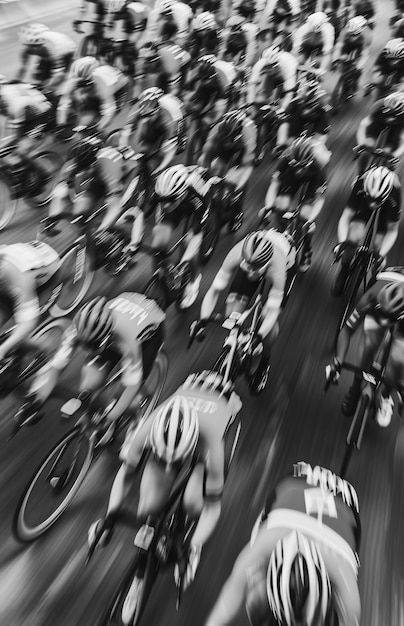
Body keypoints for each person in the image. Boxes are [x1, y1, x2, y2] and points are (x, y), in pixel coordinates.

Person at [88, 371, 243, 625]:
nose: (172, 469)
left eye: (176, 463)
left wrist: (194, 546)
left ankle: (184, 536)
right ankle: (140, 576)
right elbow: (125, 475)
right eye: (163, 460)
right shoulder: (148, 427)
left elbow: (213, 509)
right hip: (182, 422)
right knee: (146, 510)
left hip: (212, 423)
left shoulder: (212, 444)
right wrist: (111, 513)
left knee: (194, 503)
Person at [205, 460, 361, 626]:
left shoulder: (347, 591)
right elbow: (229, 598)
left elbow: (228, 601)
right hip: (294, 493)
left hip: (325, 502)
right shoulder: (264, 545)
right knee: (255, 599)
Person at [29, 293, 166, 443]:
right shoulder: (79, 326)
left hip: (148, 335)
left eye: (93, 345)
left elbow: (132, 386)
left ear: (107, 335)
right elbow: (57, 364)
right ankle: (101, 408)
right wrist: (39, 398)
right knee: (90, 380)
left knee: (128, 397)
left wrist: (110, 418)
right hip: (119, 318)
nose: (87, 349)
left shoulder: (128, 343)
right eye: (84, 344)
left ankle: (136, 418)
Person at [198, 230, 296, 393]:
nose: (251, 272)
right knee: (233, 308)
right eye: (247, 266)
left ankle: (264, 362)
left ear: (265, 265)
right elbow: (214, 289)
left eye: (255, 269)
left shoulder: (277, 268)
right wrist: (203, 319)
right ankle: (235, 342)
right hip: (259, 257)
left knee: (267, 317)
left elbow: (273, 312)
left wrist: (259, 337)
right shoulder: (236, 253)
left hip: (286, 261)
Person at [327, 268, 404, 426]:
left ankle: (385, 395)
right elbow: (347, 330)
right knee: (370, 344)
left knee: (402, 354)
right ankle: (355, 387)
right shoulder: (370, 297)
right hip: (382, 290)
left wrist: (402, 382)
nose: (386, 322)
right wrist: (338, 360)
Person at [144, 164, 218, 308]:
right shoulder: (161, 190)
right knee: (159, 238)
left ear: (183, 193)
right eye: (162, 200)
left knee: (190, 240)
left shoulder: (195, 196)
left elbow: (197, 234)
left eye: (170, 200)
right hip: (177, 204)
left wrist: (184, 263)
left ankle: (194, 281)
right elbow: (145, 212)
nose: (165, 205)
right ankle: (159, 275)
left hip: (198, 203)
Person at [332, 166, 401, 297]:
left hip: (386, 206)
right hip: (364, 199)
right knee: (352, 239)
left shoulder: (394, 195)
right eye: (371, 200)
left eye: (377, 202)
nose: (372, 205)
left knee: (378, 248)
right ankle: (344, 268)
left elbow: (392, 230)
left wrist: (380, 254)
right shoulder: (361, 184)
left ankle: (374, 277)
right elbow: (346, 216)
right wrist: (343, 243)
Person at [264, 136, 330, 272]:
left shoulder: (319, 165)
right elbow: (274, 184)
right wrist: (269, 207)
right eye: (296, 166)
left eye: (302, 167)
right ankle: (281, 235)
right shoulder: (286, 157)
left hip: (313, 177)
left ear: (310, 161)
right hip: (290, 175)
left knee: (305, 217)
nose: (299, 170)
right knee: (280, 207)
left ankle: (306, 249)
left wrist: (310, 220)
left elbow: (319, 199)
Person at [0, 241, 61, 362]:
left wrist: (3, 349)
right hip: (28, 256)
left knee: (20, 324)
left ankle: (43, 347)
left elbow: (28, 323)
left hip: (46, 275)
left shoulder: (18, 278)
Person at [198, 109, 257, 231]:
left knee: (236, 180)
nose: (227, 143)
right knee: (216, 167)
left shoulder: (248, 134)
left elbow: (247, 167)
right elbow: (205, 157)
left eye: (229, 140)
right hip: (222, 145)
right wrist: (206, 176)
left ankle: (237, 213)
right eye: (224, 139)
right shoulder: (216, 130)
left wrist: (238, 188)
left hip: (241, 150)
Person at [118, 87, 186, 175]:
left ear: (158, 109)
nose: (148, 117)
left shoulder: (170, 116)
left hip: (173, 123)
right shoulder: (139, 106)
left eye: (151, 114)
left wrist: (158, 170)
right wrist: (124, 148)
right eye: (146, 115)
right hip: (158, 119)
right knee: (143, 129)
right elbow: (126, 130)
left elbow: (170, 151)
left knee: (169, 151)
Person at [57, 53, 131, 133]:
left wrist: (97, 130)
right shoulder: (73, 83)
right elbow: (63, 107)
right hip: (96, 91)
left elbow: (109, 113)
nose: (83, 89)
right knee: (85, 118)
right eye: (80, 85)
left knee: (104, 124)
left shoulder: (101, 87)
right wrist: (61, 125)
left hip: (119, 90)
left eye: (87, 85)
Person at [355, 91, 404, 175]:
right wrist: (362, 143)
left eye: (390, 110)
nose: (387, 111)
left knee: (388, 150)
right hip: (378, 121)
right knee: (368, 145)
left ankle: (382, 172)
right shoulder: (377, 106)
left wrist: (394, 155)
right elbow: (363, 125)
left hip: (396, 126)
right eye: (385, 108)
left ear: (400, 110)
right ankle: (360, 174)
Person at [17, 23, 76, 94]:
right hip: (49, 55)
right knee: (38, 77)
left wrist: (46, 87)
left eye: (38, 46)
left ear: (43, 43)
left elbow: (59, 75)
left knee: (64, 79)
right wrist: (17, 81)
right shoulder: (27, 49)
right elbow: (23, 68)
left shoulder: (51, 48)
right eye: (31, 46)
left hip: (66, 53)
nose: (35, 48)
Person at [0, 77, 53, 155]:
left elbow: (16, 133)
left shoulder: (11, 101)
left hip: (41, 113)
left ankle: (37, 165)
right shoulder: (7, 89)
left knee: (22, 150)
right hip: (32, 111)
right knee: (13, 142)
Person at [185, 55, 239, 127]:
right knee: (194, 106)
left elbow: (222, 104)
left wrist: (213, 119)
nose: (203, 81)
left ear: (213, 76)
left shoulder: (223, 82)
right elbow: (191, 92)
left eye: (206, 79)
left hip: (228, 88)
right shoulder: (200, 73)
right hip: (213, 84)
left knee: (217, 112)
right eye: (202, 78)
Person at [277, 79, 331, 147]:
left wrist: (324, 106)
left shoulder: (322, 98)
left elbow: (329, 109)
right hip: (303, 117)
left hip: (319, 119)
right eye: (300, 92)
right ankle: (287, 142)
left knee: (322, 120)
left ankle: (317, 143)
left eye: (302, 91)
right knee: (288, 119)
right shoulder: (296, 101)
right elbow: (287, 113)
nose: (300, 93)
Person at [247, 44, 298, 112]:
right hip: (275, 74)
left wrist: (282, 110)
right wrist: (250, 104)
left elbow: (289, 94)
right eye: (267, 67)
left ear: (276, 65)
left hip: (287, 76)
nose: (268, 69)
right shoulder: (259, 65)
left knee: (286, 102)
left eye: (271, 67)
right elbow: (251, 84)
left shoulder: (288, 66)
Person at [332, 15, 372, 90]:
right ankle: (342, 72)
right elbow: (339, 45)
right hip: (348, 43)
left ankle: (355, 81)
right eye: (350, 34)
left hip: (360, 45)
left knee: (358, 68)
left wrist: (359, 67)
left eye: (355, 34)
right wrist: (336, 57)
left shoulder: (367, 35)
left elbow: (365, 54)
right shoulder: (345, 30)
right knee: (342, 58)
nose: (353, 36)